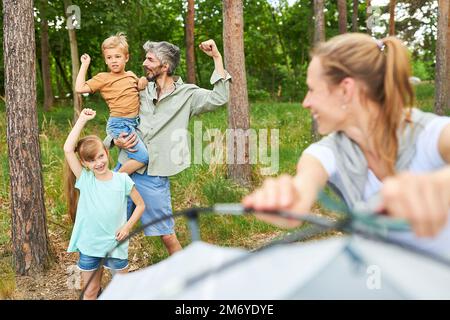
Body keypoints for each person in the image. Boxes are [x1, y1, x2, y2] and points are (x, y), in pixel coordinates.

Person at [243, 33, 450, 256]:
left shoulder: (430, 133)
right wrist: (287, 199)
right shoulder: (323, 153)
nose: (306, 102)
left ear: (345, 90)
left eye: (312, 89)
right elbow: (304, 187)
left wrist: (439, 184)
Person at [105, 39, 231, 255]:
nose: (144, 63)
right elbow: (118, 115)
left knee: (166, 233)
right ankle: (94, 288)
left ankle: (189, 280)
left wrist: (217, 58)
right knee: (109, 229)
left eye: (150, 59)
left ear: (165, 66)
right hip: (125, 166)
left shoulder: (188, 95)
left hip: (154, 176)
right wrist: (113, 141)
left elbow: (219, 97)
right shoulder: (140, 89)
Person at [64, 108, 145, 300]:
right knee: (91, 292)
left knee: (122, 292)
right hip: (90, 245)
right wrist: (82, 119)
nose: (98, 163)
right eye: (91, 161)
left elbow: (140, 205)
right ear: (84, 164)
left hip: (116, 244)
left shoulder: (122, 179)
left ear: (107, 153)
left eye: (100, 156)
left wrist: (127, 227)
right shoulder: (85, 180)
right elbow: (68, 149)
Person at [75, 32, 149, 175]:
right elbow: (79, 88)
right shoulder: (103, 78)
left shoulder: (131, 75)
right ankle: (115, 181)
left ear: (126, 57)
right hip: (119, 123)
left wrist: (142, 82)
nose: (114, 61)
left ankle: (114, 179)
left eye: (117, 56)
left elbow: (138, 87)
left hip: (134, 123)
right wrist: (84, 65)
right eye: (109, 57)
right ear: (106, 60)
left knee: (129, 156)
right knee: (143, 157)